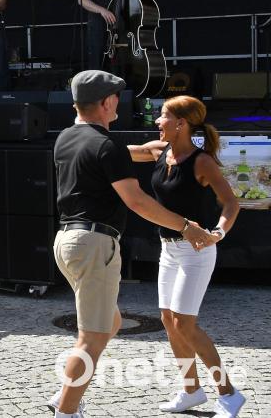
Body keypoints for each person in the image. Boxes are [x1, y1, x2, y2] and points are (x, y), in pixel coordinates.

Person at [48, 71, 214, 418]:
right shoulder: (107, 146)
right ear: (107, 102)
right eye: (116, 98)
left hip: (66, 241)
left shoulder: (66, 138)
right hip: (94, 243)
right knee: (93, 335)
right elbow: (136, 201)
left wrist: (145, 150)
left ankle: (66, 392)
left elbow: (107, 153)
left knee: (111, 324)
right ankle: (66, 409)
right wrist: (186, 226)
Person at [127, 96, 245, 417]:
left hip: (196, 252)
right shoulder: (158, 150)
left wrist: (217, 234)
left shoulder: (202, 161)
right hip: (168, 250)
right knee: (169, 321)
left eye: (162, 116)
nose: (157, 122)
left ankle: (229, 393)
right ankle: (191, 391)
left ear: (181, 124)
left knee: (184, 325)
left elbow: (231, 203)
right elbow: (116, 153)